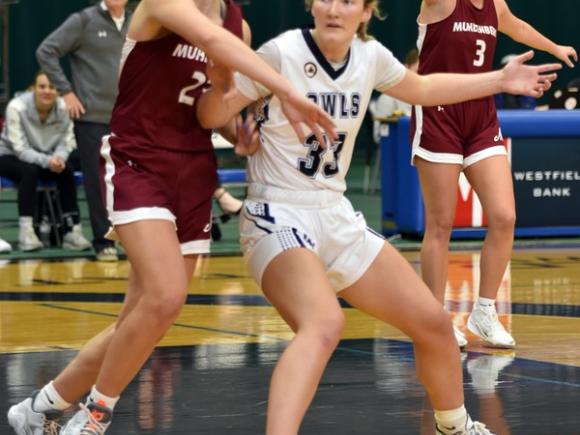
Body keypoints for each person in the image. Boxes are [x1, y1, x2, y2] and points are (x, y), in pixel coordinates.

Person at [195, 1, 558, 434]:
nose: (333, 9)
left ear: (366, 13)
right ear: (311, 6)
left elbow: (424, 89)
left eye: (347, 1)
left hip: (335, 213)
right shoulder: (283, 51)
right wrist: (226, 107)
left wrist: (499, 78)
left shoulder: (370, 58)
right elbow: (213, 116)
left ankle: (454, 426)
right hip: (277, 211)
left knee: (435, 325)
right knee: (325, 323)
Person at [7, 0, 335, 434]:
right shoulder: (162, 4)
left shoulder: (241, 25)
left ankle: (41, 407)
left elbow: (213, 112)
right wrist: (289, 90)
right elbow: (210, 37)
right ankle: (94, 417)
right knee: (165, 296)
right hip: (138, 158)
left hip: (194, 170)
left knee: (142, 319)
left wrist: (240, 130)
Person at [411, 0, 577, 349]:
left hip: (481, 116)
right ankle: (435, 318)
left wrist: (554, 47)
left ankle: (485, 312)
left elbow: (516, 25)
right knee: (441, 224)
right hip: (439, 113)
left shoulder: (494, 5)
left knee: (504, 216)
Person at [36, 0, 132, 262]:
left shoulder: (138, 21)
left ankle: (131, 237)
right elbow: (46, 51)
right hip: (92, 117)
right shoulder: (84, 20)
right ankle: (103, 241)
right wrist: (66, 91)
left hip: (130, 117)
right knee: (98, 180)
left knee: (130, 180)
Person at [0, 72, 91, 252]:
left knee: (66, 171)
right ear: (33, 89)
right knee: (29, 171)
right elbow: (20, 149)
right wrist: (49, 161)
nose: (47, 91)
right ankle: (26, 234)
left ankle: (71, 231)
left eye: (52, 87)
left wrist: (58, 160)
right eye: (42, 87)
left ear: (58, 92)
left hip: (46, 158)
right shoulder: (16, 107)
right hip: (9, 156)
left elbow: (66, 142)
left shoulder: (65, 108)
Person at [373, 47, 420, 118]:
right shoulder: (387, 99)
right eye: (418, 72)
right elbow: (381, 128)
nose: (423, 78)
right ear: (407, 68)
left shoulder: (433, 102)